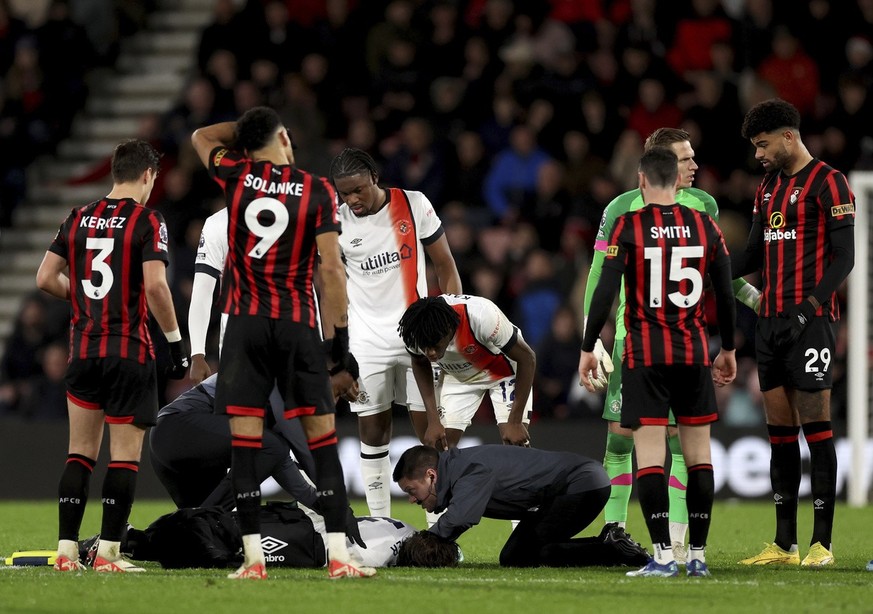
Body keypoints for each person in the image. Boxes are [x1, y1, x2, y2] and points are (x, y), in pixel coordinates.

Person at [191, 107, 373, 580]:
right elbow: (331, 271)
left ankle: (253, 561)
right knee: (323, 441)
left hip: (245, 326)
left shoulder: (235, 174)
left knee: (246, 445)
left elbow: (200, 136)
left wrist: (245, 135)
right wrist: (340, 344)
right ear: (286, 139)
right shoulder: (317, 190)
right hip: (294, 324)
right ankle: (338, 555)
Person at [581, 127, 760, 562]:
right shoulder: (619, 209)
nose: (694, 166)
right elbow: (596, 276)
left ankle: (674, 545)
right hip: (659, 343)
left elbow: (716, 272)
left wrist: (752, 296)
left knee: (668, 447)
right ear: (659, 163)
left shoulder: (700, 205)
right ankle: (617, 534)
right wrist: (598, 337)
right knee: (623, 441)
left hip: (647, 346)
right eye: (685, 159)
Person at [35, 139, 190, 573]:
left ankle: (66, 553)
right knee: (123, 458)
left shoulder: (78, 217)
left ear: (113, 173)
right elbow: (157, 287)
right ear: (147, 175)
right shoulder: (147, 220)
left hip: (83, 350)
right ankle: (107, 554)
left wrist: (86, 302)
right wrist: (177, 343)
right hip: (128, 352)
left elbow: (45, 277)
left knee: (79, 454)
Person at [732, 98, 855, 568]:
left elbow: (844, 257)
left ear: (788, 136)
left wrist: (807, 309)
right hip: (770, 322)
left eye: (763, 144)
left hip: (812, 322)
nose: (759, 154)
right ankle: (784, 545)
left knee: (816, 430)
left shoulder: (830, 181)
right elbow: (751, 257)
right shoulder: (766, 188)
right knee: (779, 435)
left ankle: (821, 544)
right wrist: (709, 264)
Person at [328, 147, 462, 518]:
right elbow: (331, 289)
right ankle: (379, 522)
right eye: (344, 193)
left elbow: (445, 265)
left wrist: (448, 321)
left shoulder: (413, 204)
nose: (352, 199)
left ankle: (439, 525)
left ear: (374, 177)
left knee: (431, 434)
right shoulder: (336, 224)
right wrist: (338, 349)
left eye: (358, 190)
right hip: (365, 343)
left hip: (416, 339)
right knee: (373, 434)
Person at [392, 444, 649, 568]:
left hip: (580, 486)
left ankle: (611, 548)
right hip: (570, 487)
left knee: (525, 554)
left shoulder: (467, 469)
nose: (412, 500)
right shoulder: (460, 466)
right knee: (517, 555)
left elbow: (459, 518)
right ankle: (611, 544)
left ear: (431, 475)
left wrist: (416, 547)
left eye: (411, 491)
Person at [149, 373, 352, 510]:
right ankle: (204, 517)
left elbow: (280, 463)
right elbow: (297, 448)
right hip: (176, 430)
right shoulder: (280, 376)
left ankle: (136, 540)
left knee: (205, 535)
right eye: (336, 391)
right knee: (273, 445)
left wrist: (321, 505)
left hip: (180, 446)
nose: (334, 402)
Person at [78, 502, 416, 571]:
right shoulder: (395, 542)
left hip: (302, 526)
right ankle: (123, 541)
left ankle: (122, 541)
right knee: (206, 542)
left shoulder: (395, 536)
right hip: (303, 530)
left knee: (207, 541)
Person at [397, 294, 535, 448]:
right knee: (440, 445)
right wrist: (434, 420)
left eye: (435, 345)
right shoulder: (415, 329)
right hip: (457, 375)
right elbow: (419, 363)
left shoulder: (482, 316)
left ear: (449, 329)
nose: (431, 353)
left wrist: (515, 421)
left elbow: (527, 359)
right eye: (425, 347)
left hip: (502, 372)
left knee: (514, 443)